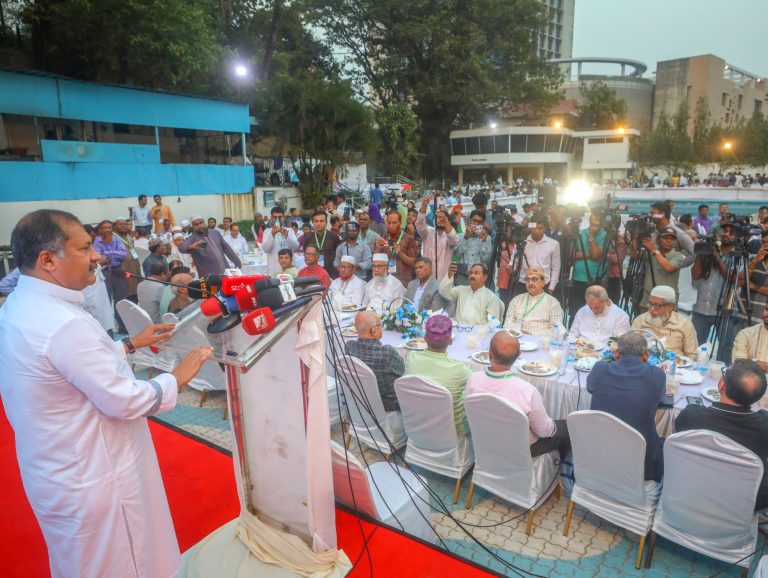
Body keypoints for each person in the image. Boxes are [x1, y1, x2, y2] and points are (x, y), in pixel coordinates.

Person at [0, 209, 212, 578]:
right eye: (84, 248)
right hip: (98, 475)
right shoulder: (63, 323)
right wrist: (175, 378)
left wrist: (128, 345)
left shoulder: (20, 305)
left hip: (55, 472)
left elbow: (62, 370)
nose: (97, 255)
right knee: (125, 563)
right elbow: (124, 400)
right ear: (47, 259)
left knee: (78, 563)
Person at [675, 359, 768, 511]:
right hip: (739, 504)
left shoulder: (692, 417)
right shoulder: (764, 428)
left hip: (692, 489)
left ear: (721, 385)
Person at [465, 331, 570, 459]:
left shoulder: (473, 380)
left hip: (484, 440)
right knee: (568, 428)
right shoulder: (527, 391)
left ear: (489, 353)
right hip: (520, 449)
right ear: (518, 356)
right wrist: (555, 426)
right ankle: (558, 474)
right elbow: (544, 431)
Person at [587, 331, 666, 482]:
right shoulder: (657, 376)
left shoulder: (600, 369)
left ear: (616, 353)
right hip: (640, 465)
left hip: (600, 454)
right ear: (646, 356)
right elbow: (661, 400)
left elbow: (591, 387)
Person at [405, 315, 472, 436]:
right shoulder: (459, 369)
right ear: (451, 341)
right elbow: (478, 382)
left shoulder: (411, 358)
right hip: (452, 432)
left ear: (425, 338)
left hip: (417, 425)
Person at [691, 223, 735, 361]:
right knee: (695, 344)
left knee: (725, 347)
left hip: (724, 310)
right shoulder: (708, 250)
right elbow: (695, 276)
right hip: (701, 308)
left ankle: (722, 374)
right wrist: (700, 254)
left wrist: (717, 258)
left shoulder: (738, 256)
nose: (726, 234)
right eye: (724, 231)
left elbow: (733, 278)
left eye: (730, 232)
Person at [345, 311, 404, 412]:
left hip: (359, 404)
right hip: (388, 408)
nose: (382, 327)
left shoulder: (349, 347)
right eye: (380, 325)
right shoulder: (387, 353)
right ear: (374, 331)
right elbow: (402, 370)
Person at [631, 285, 698, 358]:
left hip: (674, 366)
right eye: (650, 304)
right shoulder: (640, 321)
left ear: (671, 307)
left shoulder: (685, 325)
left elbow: (692, 356)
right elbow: (629, 348)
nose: (652, 309)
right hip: (644, 364)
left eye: (657, 305)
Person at [633, 226, 685, 312]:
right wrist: (635, 238)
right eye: (665, 238)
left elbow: (668, 268)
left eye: (672, 239)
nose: (669, 241)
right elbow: (634, 255)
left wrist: (654, 250)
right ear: (657, 240)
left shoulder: (678, 256)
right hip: (647, 301)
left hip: (667, 304)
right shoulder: (649, 252)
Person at [503, 267, 564, 337]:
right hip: (515, 339)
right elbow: (507, 324)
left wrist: (533, 335)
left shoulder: (552, 303)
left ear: (543, 283)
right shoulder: (517, 300)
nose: (530, 283)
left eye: (534, 279)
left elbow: (557, 331)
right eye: (527, 280)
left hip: (540, 342)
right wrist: (517, 333)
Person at [569, 210, 607, 319]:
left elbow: (595, 255)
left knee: (594, 312)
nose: (595, 222)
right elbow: (571, 255)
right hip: (577, 279)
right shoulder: (580, 233)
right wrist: (589, 254)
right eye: (593, 218)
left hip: (595, 281)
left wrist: (591, 237)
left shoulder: (605, 235)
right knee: (574, 312)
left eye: (598, 219)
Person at [439, 262, 504, 325]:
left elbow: (493, 324)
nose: (472, 275)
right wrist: (449, 274)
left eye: (476, 273)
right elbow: (443, 292)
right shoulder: (461, 290)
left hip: (478, 333)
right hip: (458, 328)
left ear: (485, 277)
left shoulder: (491, 297)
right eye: (471, 273)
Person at [416, 196, 459, 281]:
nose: (441, 220)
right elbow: (419, 225)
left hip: (445, 279)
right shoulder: (428, 232)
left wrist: (445, 220)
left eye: (443, 218)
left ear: (448, 221)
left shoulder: (451, 234)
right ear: (434, 220)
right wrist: (424, 206)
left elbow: (453, 240)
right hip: (427, 279)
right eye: (438, 218)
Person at [516, 214, 561, 295]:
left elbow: (556, 267)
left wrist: (551, 287)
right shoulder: (522, 242)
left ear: (545, 229)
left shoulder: (554, 244)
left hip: (543, 285)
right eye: (534, 228)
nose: (537, 231)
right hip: (523, 284)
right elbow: (514, 262)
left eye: (540, 228)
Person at [374, 210, 418, 287]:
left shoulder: (409, 239)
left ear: (400, 222)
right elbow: (375, 262)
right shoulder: (382, 239)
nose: (391, 225)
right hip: (385, 282)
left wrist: (400, 252)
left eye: (394, 222)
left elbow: (413, 263)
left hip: (403, 282)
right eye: (389, 222)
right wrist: (377, 249)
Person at [92, 219, 128, 306]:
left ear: (112, 229)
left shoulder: (117, 240)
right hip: (104, 272)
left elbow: (123, 254)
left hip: (117, 270)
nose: (107, 230)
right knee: (106, 298)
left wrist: (107, 253)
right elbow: (98, 257)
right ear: (100, 230)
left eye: (109, 227)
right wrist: (114, 253)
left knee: (121, 298)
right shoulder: (97, 241)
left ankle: (120, 319)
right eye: (104, 228)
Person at [261, 206, 299, 275]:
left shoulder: (289, 231)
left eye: (280, 217)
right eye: (275, 217)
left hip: (289, 270)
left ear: (283, 218)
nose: (277, 219)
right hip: (274, 269)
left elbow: (295, 247)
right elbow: (266, 249)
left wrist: (287, 236)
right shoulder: (267, 232)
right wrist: (272, 234)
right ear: (271, 218)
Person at [305, 210, 341, 279]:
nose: (318, 223)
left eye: (321, 221)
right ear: (312, 222)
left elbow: (339, 255)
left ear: (326, 222)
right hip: (313, 274)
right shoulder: (308, 237)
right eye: (316, 221)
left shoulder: (334, 237)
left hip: (331, 273)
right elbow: (306, 253)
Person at [456, 210, 493, 278]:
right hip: (462, 275)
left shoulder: (487, 238)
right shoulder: (460, 236)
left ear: (482, 224)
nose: (476, 224)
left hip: (479, 276)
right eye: (474, 220)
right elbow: (456, 257)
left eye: (479, 222)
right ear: (470, 220)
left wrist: (483, 242)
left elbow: (485, 259)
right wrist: (466, 238)